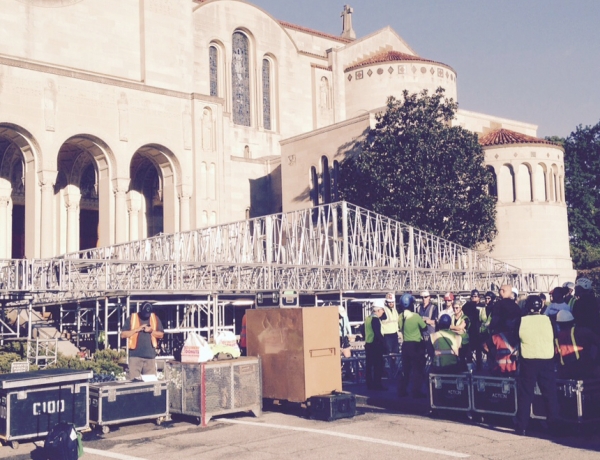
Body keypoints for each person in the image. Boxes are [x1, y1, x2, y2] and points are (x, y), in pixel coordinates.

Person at [515, 295, 559, 437]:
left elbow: (515, 337)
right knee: (549, 393)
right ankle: (554, 425)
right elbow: (555, 336)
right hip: (546, 358)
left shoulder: (521, 321)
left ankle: (522, 426)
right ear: (541, 306)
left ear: (527, 306)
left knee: (526, 394)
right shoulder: (549, 320)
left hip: (528, 360)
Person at [121, 302, 164, 379]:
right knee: (133, 383)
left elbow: (161, 334)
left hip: (150, 357)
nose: (146, 316)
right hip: (135, 357)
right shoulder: (133, 318)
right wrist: (137, 329)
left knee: (150, 383)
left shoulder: (154, 318)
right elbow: (123, 334)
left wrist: (151, 331)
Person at [555, 310, 600, 379]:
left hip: (564, 372)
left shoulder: (557, 337)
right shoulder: (582, 332)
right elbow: (596, 341)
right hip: (583, 369)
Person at [397, 294, 427, 397]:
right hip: (416, 346)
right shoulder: (416, 316)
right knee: (417, 369)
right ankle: (416, 391)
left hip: (406, 345)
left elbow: (400, 328)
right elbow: (424, 328)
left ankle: (402, 389)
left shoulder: (400, 317)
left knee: (406, 369)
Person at [364, 300, 387, 390]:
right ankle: (378, 385)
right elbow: (377, 333)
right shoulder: (375, 320)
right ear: (377, 310)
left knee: (369, 366)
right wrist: (384, 343)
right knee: (378, 366)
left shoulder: (367, 319)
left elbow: (363, 330)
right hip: (375, 345)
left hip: (368, 344)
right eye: (382, 310)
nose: (383, 312)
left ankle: (369, 384)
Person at [462, 289, 482, 369]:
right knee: (468, 350)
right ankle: (469, 367)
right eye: (472, 296)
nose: (473, 298)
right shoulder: (467, 305)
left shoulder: (482, 306)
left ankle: (479, 367)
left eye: (475, 296)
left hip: (479, 330)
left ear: (479, 297)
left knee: (478, 350)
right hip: (470, 330)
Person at [418, 290, 438, 364]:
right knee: (421, 356)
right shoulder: (418, 308)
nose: (424, 299)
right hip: (421, 336)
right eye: (422, 297)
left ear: (429, 297)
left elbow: (436, 322)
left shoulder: (434, 308)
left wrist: (426, 321)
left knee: (432, 355)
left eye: (425, 297)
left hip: (431, 336)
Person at [450, 300, 471, 367]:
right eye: (453, 308)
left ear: (460, 308)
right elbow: (459, 329)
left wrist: (451, 328)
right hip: (454, 341)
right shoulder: (452, 317)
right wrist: (457, 329)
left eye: (457, 308)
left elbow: (460, 327)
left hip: (464, 341)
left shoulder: (465, 318)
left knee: (464, 357)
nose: (455, 309)